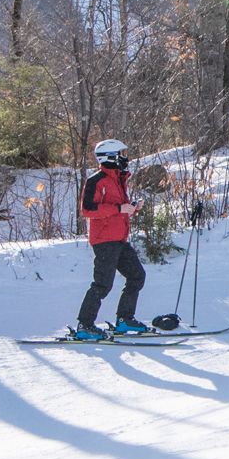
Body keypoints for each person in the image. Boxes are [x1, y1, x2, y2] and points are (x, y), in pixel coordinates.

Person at [74, 138, 149, 340]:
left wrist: (131, 208)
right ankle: (85, 325)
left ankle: (124, 320)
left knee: (137, 276)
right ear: (111, 157)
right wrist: (119, 208)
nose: (126, 157)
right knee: (102, 284)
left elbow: (117, 211)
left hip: (119, 239)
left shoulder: (118, 179)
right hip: (104, 241)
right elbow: (87, 210)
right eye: (122, 154)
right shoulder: (96, 180)